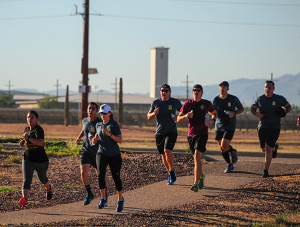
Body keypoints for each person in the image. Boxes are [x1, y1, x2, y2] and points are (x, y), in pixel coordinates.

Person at [177, 84, 217, 192]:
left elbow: (214, 113)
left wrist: (212, 121)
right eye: (194, 90)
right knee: (196, 159)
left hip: (203, 134)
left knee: (197, 156)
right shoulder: (188, 104)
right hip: (191, 135)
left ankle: (195, 183)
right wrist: (186, 116)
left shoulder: (207, 103)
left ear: (202, 92)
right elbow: (178, 118)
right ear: (192, 92)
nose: (196, 92)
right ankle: (201, 176)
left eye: (198, 90)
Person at [251, 80, 291, 177]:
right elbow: (252, 108)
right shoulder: (260, 99)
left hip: (275, 127)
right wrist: (256, 114)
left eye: (269, 87)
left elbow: (288, 107)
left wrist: (284, 112)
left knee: (268, 149)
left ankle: (265, 171)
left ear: (273, 88)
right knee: (264, 148)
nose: (267, 89)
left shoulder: (279, 99)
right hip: (262, 127)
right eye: (266, 87)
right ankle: (275, 148)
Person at [147, 84, 182, 185]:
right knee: (163, 155)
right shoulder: (156, 102)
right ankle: (171, 173)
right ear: (160, 92)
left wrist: (177, 117)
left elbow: (183, 112)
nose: (164, 92)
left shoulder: (175, 102)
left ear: (170, 92)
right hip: (159, 132)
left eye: (166, 91)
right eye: (162, 90)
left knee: (167, 151)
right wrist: (154, 113)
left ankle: (171, 173)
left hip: (171, 131)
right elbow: (148, 116)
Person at [92, 104, 124, 212]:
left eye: (104, 113)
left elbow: (120, 140)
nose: (102, 115)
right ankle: (103, 198)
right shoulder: (99, 124)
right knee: (100, 175)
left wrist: (109, 134)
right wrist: (95, 139)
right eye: (101, 113)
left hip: (114, 155)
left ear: (110, 113)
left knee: (116, 178)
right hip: (101, 153)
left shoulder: (114, 124)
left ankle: (120, 199)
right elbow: (98, 135)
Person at [18, 110, 53, 208]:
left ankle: (48, 187)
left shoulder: (39, 130)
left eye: (32, 117)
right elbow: (27, 138)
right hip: (28, 158)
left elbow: (40, 143)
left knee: (42, 179)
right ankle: (25, 200)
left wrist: (28, 138)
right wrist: (22, 141)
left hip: (40, 160)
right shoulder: (26, 129)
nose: (29, 119)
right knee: (26, 180)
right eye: (28, 117)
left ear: (37, 119)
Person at [213, 81, 244, 173]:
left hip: (230, 125)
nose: (222, 89)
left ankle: (233, 152)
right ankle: (229, 163)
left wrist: (234, 113)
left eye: (224, 87)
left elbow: (241, 109)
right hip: (219, 125)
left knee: (224, 145)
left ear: (227, 88)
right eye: (221, 87)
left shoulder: (233, 99)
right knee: (222, 148)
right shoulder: (216, 100)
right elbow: (213, 112)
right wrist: (211, 118)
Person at [75, 102, 102, 205]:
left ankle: (104, 195)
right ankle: (89, 193)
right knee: (83, 172)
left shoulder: (99, 122)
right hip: (86, 150)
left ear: (96, 111)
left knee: (100, 175)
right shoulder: (85, 120)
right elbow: (84, 129)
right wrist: (79, 137)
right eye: (89, 108)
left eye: (93, 109)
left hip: (98, 152)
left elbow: (102, 135)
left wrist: (96, 138)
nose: (90, 110)